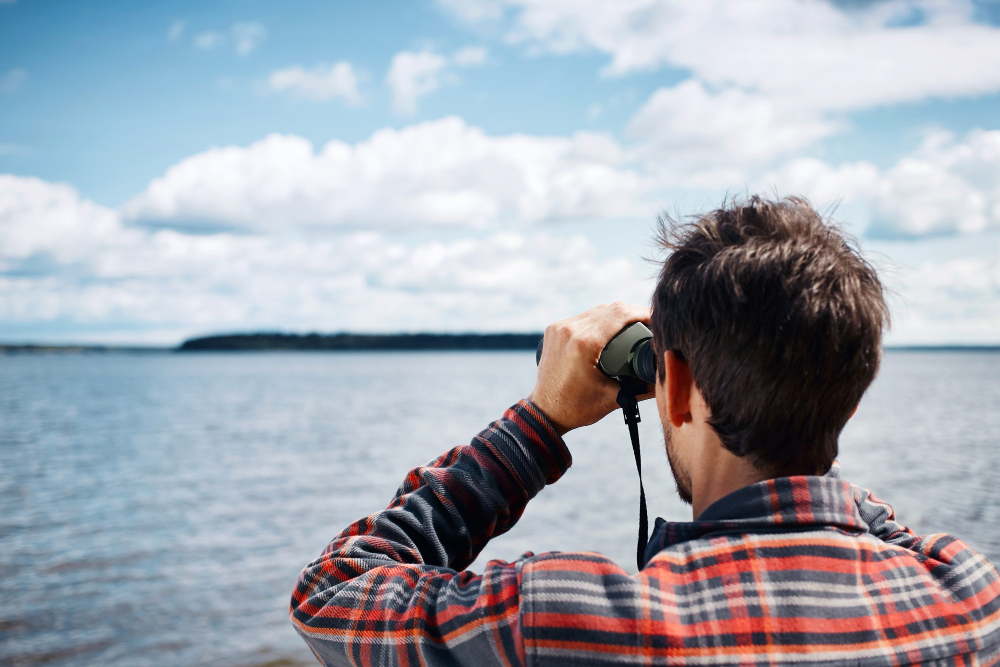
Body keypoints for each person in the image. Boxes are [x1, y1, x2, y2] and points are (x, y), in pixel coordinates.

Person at [290, 196, 1000, 666]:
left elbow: (331, 597)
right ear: (853, 398)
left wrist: (539, 422)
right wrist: (808, 396)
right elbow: (871, 520)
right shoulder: (964, 593)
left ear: (679, 387)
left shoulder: (565, 620)